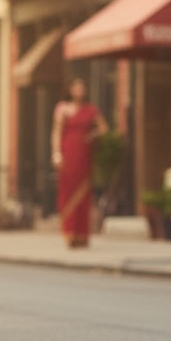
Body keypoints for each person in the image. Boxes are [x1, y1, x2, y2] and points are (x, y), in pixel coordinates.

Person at [50, 77, 108, 249]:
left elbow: (104, 129)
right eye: (76, 87)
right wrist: (56, 153)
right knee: (68, 191)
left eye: (82, 87)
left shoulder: (91, 110)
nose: (79, 91)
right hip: (68, 151)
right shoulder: (62, 108)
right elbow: (56, 132)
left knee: (83, 194)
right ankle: (69, 232)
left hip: (84, 153)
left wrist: (93, 135)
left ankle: (82, 234)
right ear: (70, 90)